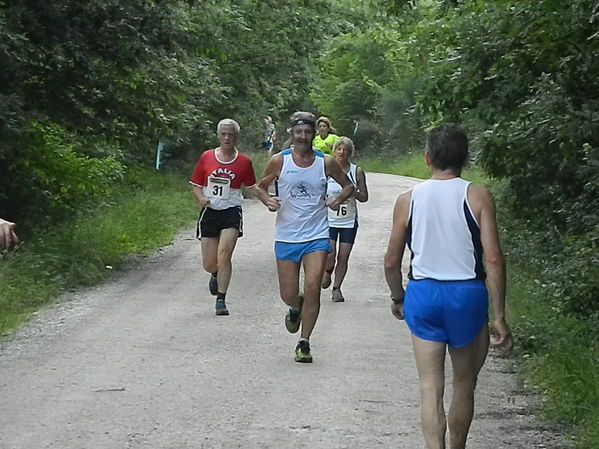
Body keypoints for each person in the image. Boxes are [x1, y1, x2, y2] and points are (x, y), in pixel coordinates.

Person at [383, 124, 513, 449]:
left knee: (430, 386)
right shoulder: (478, 195)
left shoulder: (407, 200)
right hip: (466, 295)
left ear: (427, 158)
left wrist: (398, 296)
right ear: (465, 159)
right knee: (464, 384)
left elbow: (390, 261)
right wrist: (498, 315)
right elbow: (494, 259)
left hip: (423, 294)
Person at [256, 111, 354, 363]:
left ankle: (304, 342)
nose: (303, 136)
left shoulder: (326, 162)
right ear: (292, 133)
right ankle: (294, 305)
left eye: (307, 132)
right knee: (288, 293)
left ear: (313, 134)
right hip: (287, 235)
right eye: (298, 132)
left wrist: (336, 199)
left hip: (317, 234)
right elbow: (259, 186)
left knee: (313, 288)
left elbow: (348, 186)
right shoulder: (280, 161)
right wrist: (268, 199)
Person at [190, 118, 272, 316]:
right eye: (224, 134)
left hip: (231, 211)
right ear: (218, 136)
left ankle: (221, 299)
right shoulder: (207, 157)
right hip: (210, 212)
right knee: (209, 263)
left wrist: (267, 200)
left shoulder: (243, 162)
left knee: (224, 254)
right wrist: (201, 197)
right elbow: (195, 183)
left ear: (236, 137)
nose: (227, 137)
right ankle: (215, 273)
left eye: (231, 134)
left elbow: (252, 186)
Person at [321, 137, 369, 302]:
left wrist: (351, 192)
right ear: (335, 151)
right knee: (330, 255)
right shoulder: (326, 169)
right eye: (339, 149)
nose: (342, 152)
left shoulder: (356, 171)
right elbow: (318, 192)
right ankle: (327, 271)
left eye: (346, 150)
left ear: (350, 153)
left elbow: (364, 197)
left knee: (344, 256)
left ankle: (337, 288)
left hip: (348, 220)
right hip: (329, 219)